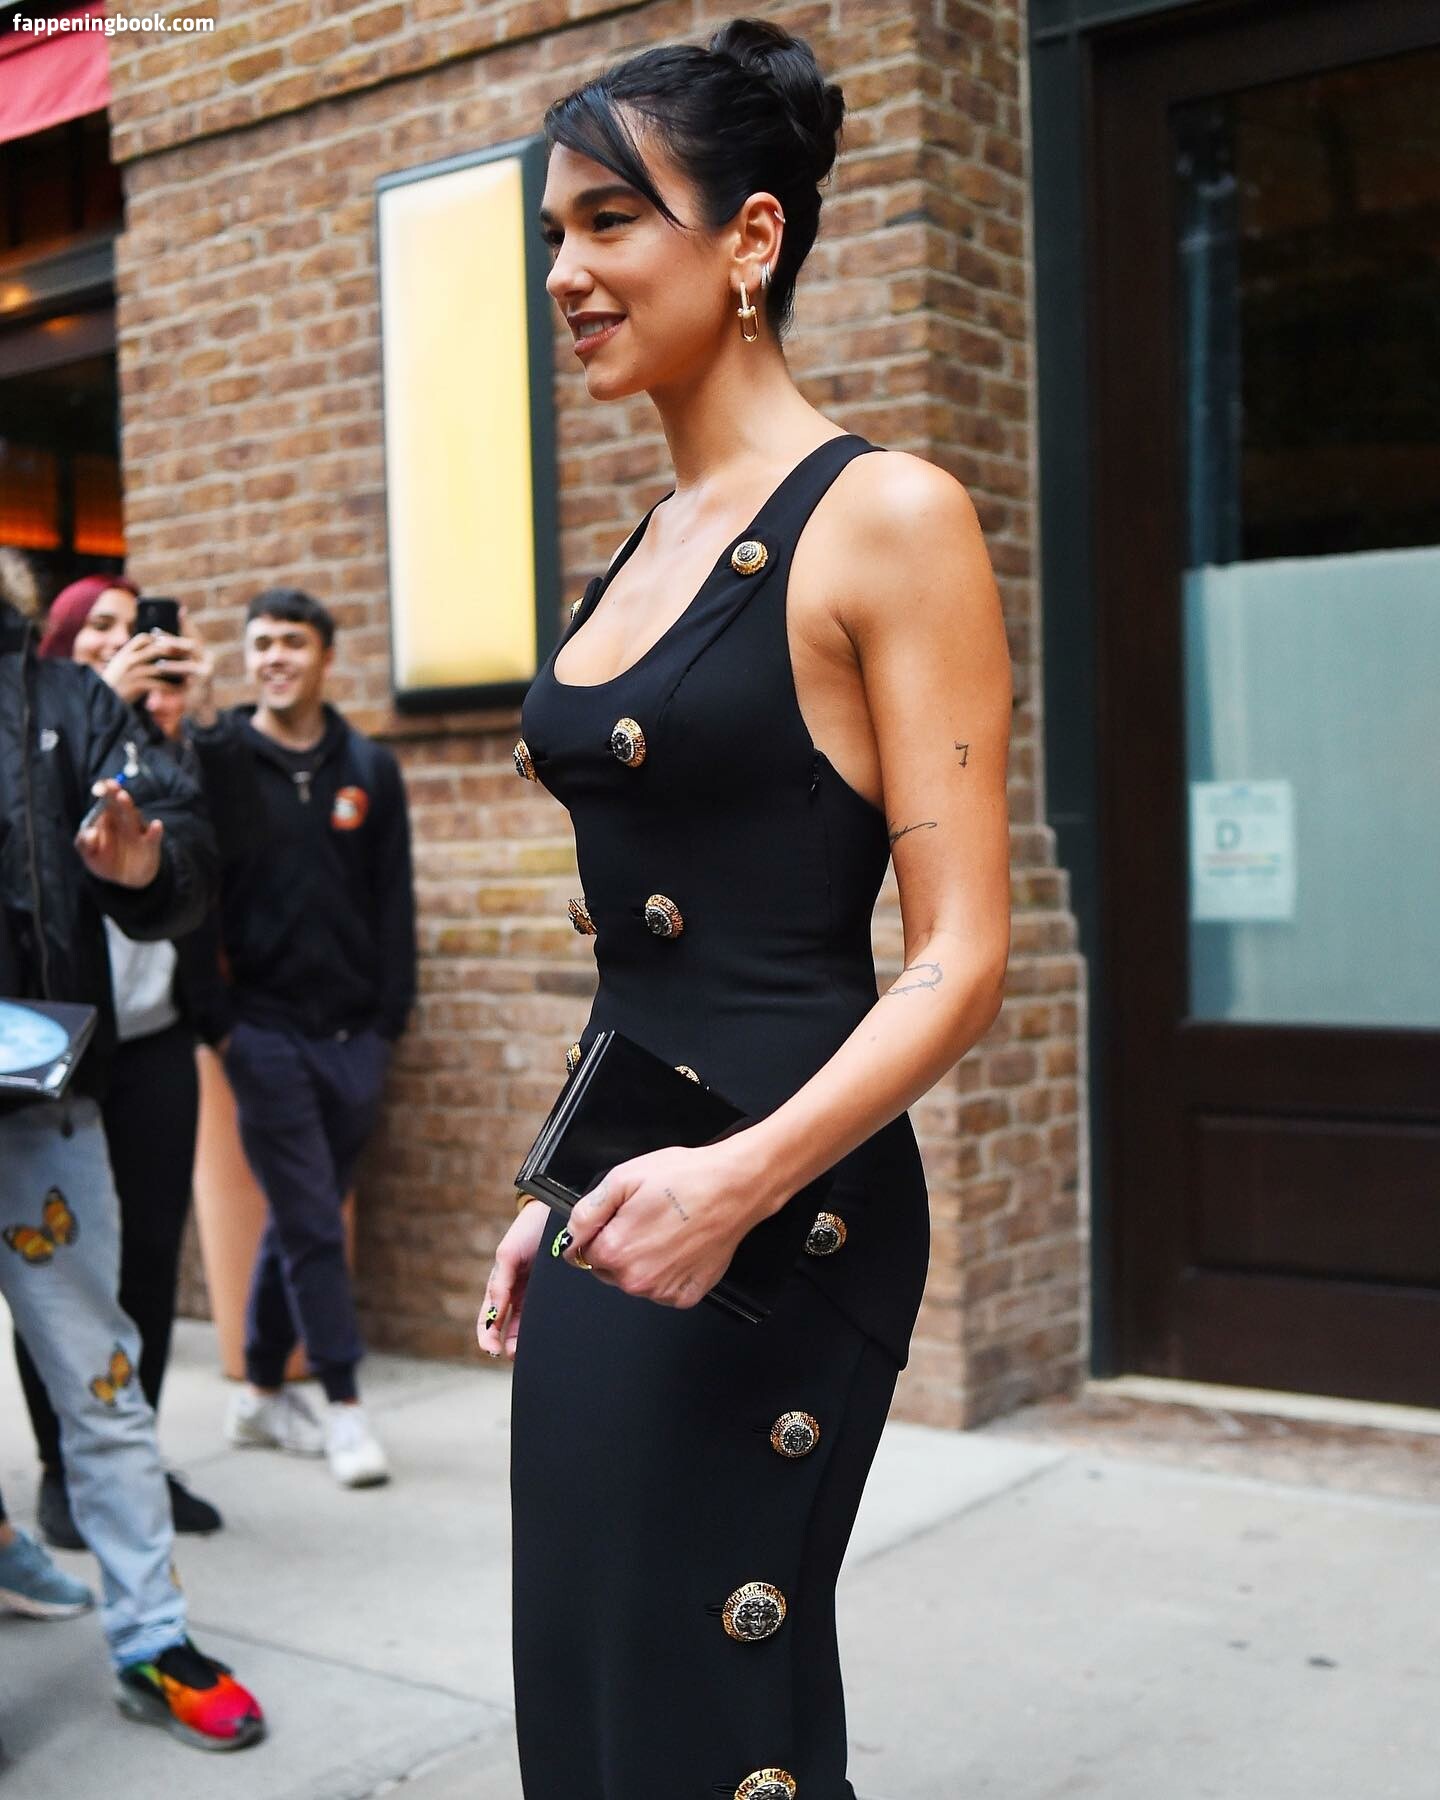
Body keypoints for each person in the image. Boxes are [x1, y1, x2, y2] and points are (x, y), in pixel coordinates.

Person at [478, 20, 1013, 1798]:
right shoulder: (643, 544)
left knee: (709, 1728)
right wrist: (560, 1186)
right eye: (553, 233)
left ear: (752, 239)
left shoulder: (889, 516)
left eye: (611, 221)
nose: (567, 274)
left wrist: (736, 1181)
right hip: (630, 1197)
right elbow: (650, 955)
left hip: (790, 1211)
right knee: (588, 1692)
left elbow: (961, 958)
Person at [0, 565, 264, 1750]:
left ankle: (151, 1639)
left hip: (39, 1105)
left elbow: (184, 841)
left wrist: (145, 867)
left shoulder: (66, 699)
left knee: (102, 1384)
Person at [189, 587, 417, 1489]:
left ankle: (256, 1394)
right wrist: (222, 1025)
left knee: (301, 1216)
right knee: (316, 1221)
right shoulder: (221, 764)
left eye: (292, 641)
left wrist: (388, 1022)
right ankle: (344, 1405)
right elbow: (196, 900)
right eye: (261, 643)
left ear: (326, 655)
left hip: (355, 1036)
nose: (275, 657)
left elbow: (393, 901)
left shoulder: (369, 767)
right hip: (263, 1032)